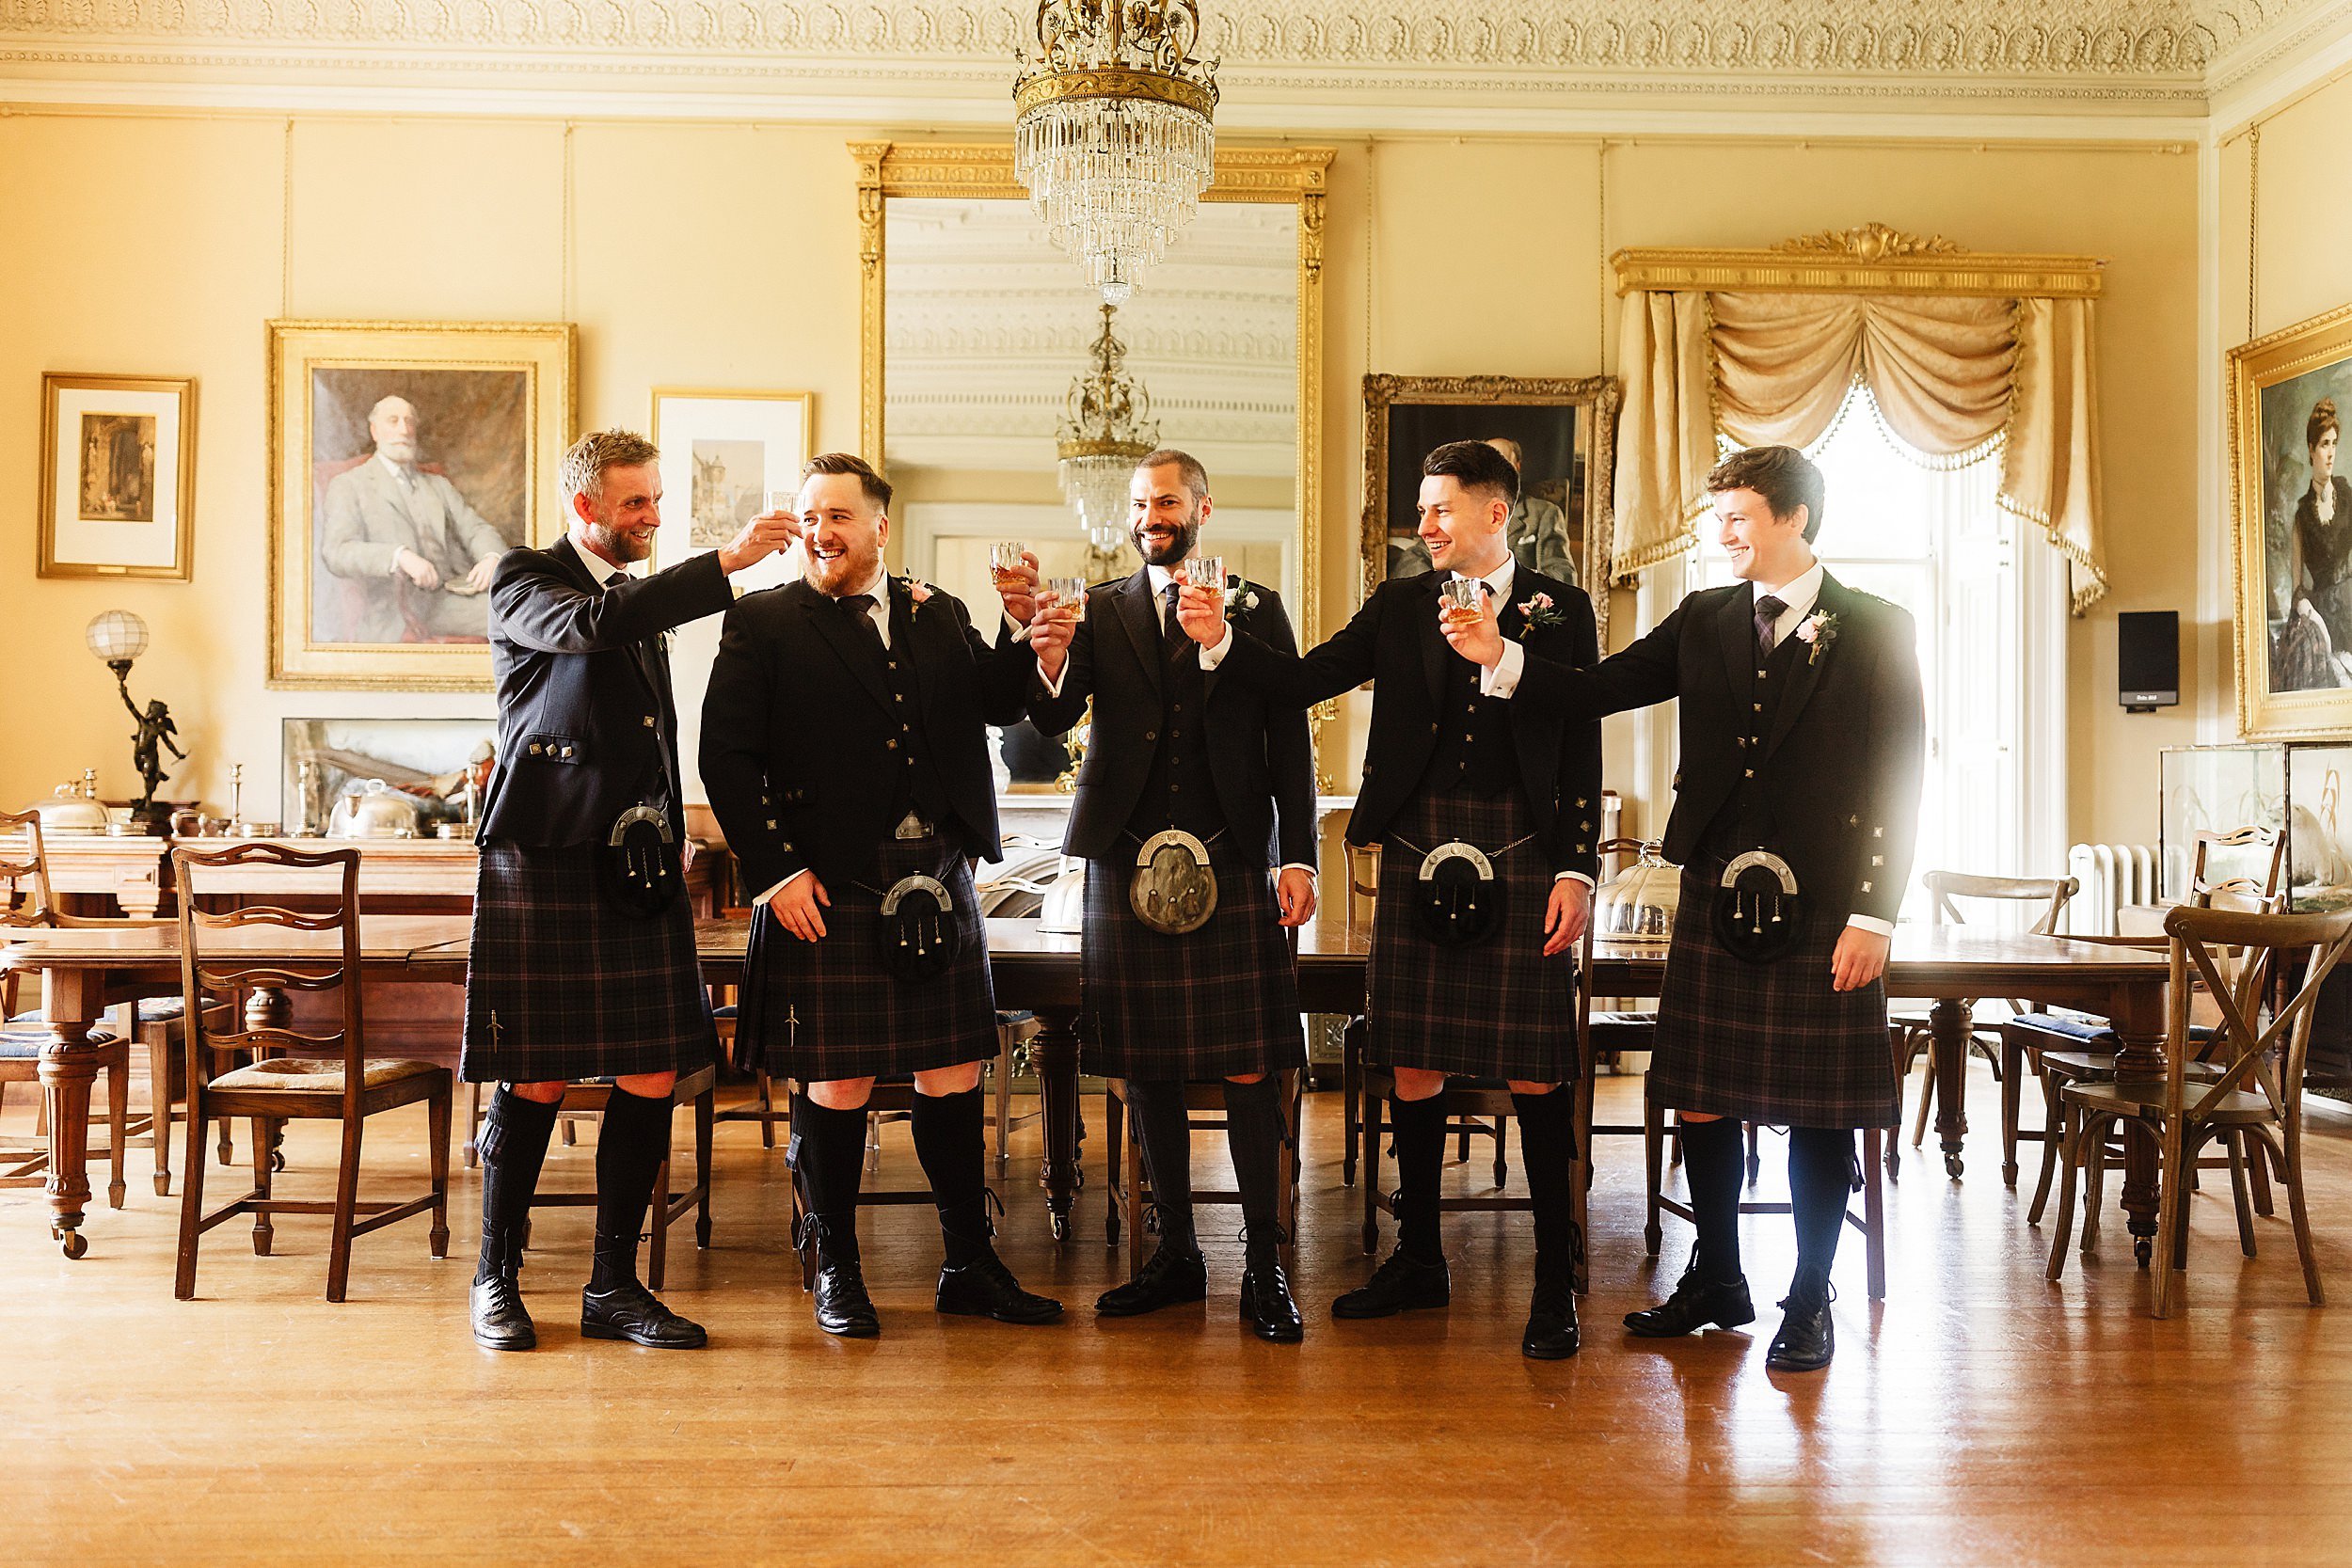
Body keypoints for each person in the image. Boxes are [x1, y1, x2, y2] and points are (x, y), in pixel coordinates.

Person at [1180, 439, 1602, 1360]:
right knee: (1411, 1058)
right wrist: (1218, 638)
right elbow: (1300, 680)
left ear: (1496, 512)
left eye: (1441, 507)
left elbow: (1580, 745)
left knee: (1535, 1066)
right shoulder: (1400, 603)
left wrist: (1577, 868)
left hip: (1523, 847)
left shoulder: (1559, 611)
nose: (1425, 523)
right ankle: (1417, 1258)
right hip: (1418, 844)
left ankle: (1552, 1278)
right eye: (1421, 507)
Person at [1536, 444, 1925, 1374]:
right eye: (1720, 516)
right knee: (1702, 1096)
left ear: (1794, 516)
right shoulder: (1706, 616)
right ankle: (1719, 1274)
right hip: (1716, 886)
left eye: (1740, 515)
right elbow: (1601, 687)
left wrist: (1874, 912)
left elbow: (1901, 770)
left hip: (1827, 903)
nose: (1724, 532)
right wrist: (1505, 660)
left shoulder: (1874, 624)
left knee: (1822, 1111)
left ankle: (1807, 1294)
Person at [702, 452, 1061, 1338]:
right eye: (809, 516)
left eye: (838, 516)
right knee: (838, 1081)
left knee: (952, 1072)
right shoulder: (764, 622)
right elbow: (725, 757)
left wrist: (1024, 633)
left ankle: (967, 1265)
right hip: (832, 886)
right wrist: (776, 872)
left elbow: (994, 699)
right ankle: (837, 1266)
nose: (821, 532)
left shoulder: (937, 613)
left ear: (879, 528)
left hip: (935, 879)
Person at [462, 428, 800, 1354]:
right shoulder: (528, 580)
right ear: (586, 508)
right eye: (635, 503)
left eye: (656, 499)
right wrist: (723, 564)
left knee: (653, 1067)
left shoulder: (629, 597)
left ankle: (613, 1283)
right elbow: (590, 630)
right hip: (546, 855)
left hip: (638, 861)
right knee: (533, 1071)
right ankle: (496, 1277)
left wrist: (678, 837)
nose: (651, 516)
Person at [1020, 448, 1316, 1343]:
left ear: (1203, 508)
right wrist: (1048, 658)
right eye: (1143, 503)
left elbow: (1288, 740)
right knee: (1143, 1059)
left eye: (1170, 501)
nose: (1155, 514)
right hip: (1125, 857)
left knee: (1251, 1065)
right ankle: (1176, 1252)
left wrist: (1296, 855)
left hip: (1230, 857)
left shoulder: (1256, 609)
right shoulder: (1102, 606)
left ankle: (1262, 1264)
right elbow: (1052, 719)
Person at [319, 394, 514, 641]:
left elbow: (475, 528)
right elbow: (337, 552)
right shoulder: (349, 485)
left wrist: (491, 557)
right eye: (394, 421)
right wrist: (398, 556)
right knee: (518, 617)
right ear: (374, 431)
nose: (404, 429)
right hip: (399, 608)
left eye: (409, 422)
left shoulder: (437, 485)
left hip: (453, 595)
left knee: (522, 606)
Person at [2281, 399, 2352, 689]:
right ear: (2311, 449)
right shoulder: (2301, 515)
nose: (2331, 453)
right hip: (2320, 609)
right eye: (2324, 444)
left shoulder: (2348, 497)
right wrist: (2315, 620)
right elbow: (2297, 591)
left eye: (2334, 443)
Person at [1485, 437, 1575, 581]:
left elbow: (1561, 576)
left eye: (1503, 463)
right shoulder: (1461, 514)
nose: (1494, 472)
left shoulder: (1544, 514)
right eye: (1487, 464)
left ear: (1517, 467)